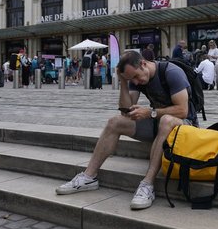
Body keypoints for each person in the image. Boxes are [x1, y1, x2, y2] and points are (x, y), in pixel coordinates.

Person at [55, 51, 198, 210]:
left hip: (185, 126)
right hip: (159, 123)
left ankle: (147, 185)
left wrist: (150, 112)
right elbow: (126, 111)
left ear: (143, 63)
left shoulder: (171, 72)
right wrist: (124, 81)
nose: (136, 82)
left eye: (136, 77)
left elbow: (183, 110)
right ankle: (89, 177)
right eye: (132, 79)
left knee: (165, 120)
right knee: (114, 122)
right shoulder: (133, 78)